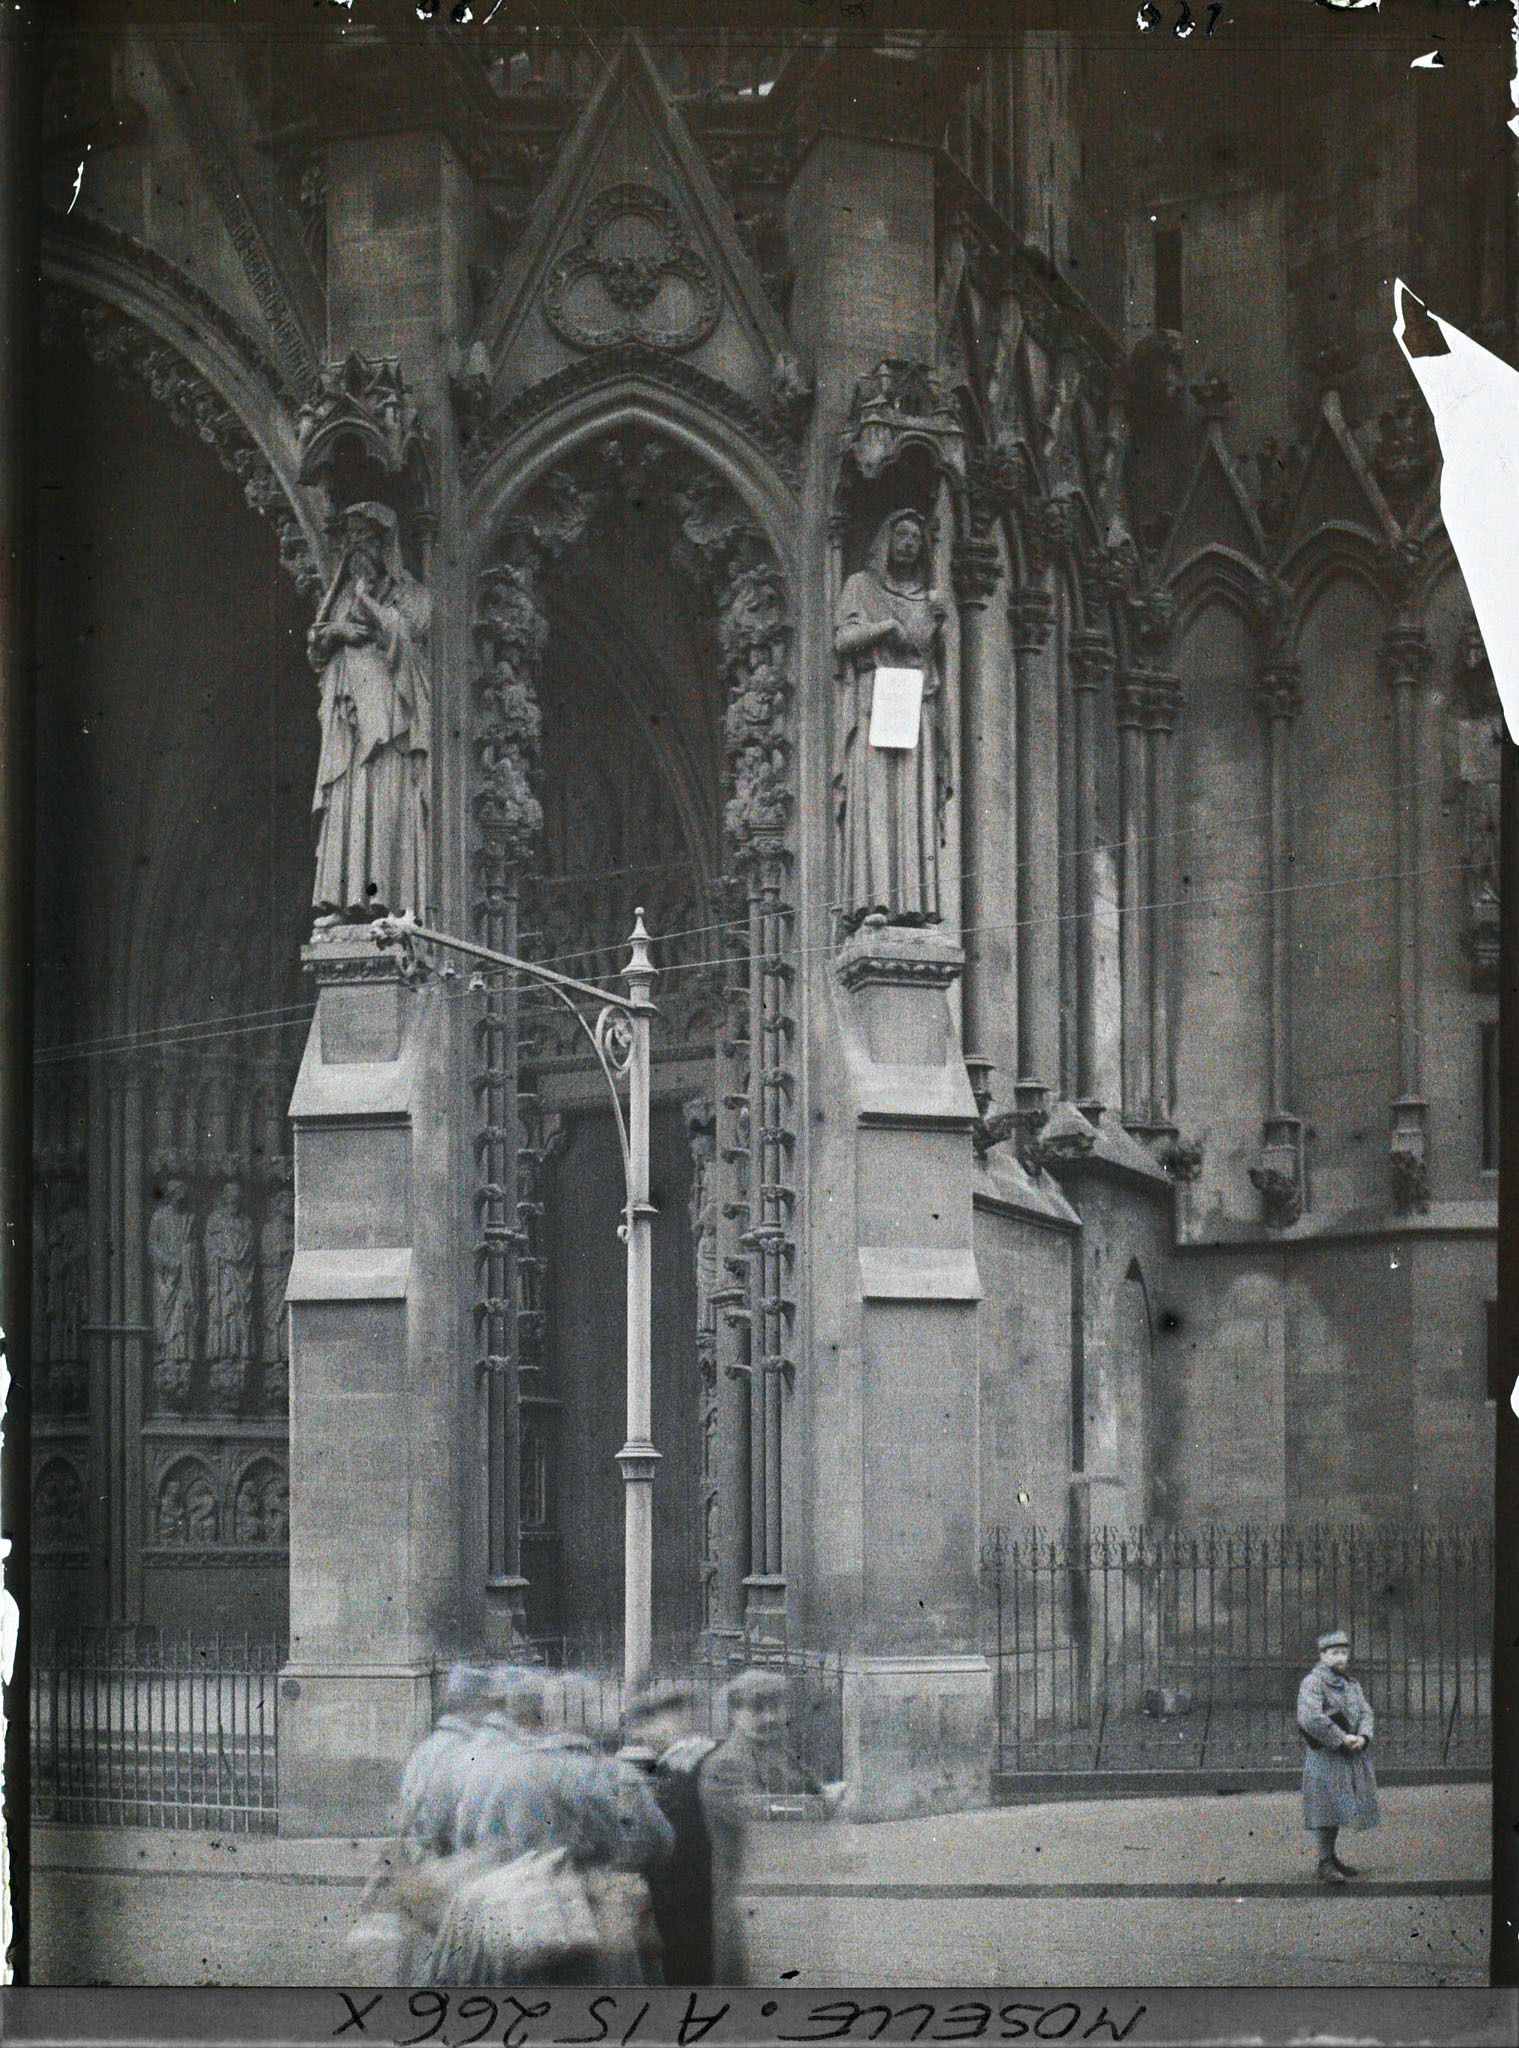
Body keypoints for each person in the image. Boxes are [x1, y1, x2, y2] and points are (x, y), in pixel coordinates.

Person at [309, 500, 432, 924]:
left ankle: (386, 902)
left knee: (382, 807)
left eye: (365, 541)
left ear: (385, 547)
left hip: (390, 727)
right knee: (348, 804)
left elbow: (405, 632)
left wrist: (365, 602)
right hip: (348, 725)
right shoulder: (341, 597)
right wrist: (337, 630)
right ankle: (342, 904)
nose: (357, 552)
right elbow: (317, 642)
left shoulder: (411, 592)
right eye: (351, 543)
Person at [833, 507, 952, 928]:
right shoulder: (861, 586)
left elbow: (928, 654)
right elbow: (843, 638)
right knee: (876, 798)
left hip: (912, 698)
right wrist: (883, 628)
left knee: (910, 797)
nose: (907, 543)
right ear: (886, 539)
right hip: (874, 696)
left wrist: (938, 623)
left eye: (915, 538)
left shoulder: (928, 597)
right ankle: (873, 900)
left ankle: (913, 905)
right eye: (900, 534)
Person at [701, 1668, 829, 1983]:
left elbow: (814, 1790)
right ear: (734, 1713)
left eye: (776, 1707)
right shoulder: (725, 1764)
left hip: (792, 1889)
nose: (770, 1717)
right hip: (750, 1894)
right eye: (758, 1709)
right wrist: (816, 1805)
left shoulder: (782, 1754)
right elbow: (756, 1809)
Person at [622, 1679, 718, 1985]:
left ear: (677, 1720)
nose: (642, 1735)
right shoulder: (692, 1761)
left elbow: (671, 1842)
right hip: (693, 1897)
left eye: (651, 1722)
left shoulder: (684, 1766)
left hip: (682, 1900)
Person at [1297, 1627, 1379, 1884]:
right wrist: (1342, 1738)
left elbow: (1367, 1712)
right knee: (1325, 1808)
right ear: (1322, 1656)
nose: (1340, 1658)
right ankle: (1324, 1862)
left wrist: (1364, 1737)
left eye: (1344, 1653)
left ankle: (1331, 1856)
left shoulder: (1351, 1684)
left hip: (1349, 1753)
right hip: (1326, 1755)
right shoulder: (1313, 1682)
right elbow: (1309, 1717)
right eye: (1334, 1653)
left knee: (1338, 1806)